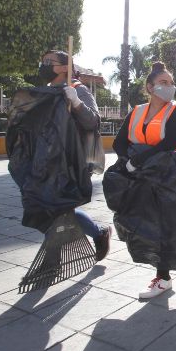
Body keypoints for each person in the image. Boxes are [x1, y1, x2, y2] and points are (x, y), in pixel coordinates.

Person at [113, 61, 176, 298]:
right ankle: (156, 268)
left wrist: (138, 160)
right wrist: (128, 160)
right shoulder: (136, 112)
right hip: (142, 177)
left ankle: (164, 277)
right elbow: (119, 142)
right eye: (163, 83)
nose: (169, 87)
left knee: (167, 225)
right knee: (144, 221)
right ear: (150, 87)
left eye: (171, 83)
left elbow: (171, 142)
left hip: (170, 179)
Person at [39, 50, 112, 261]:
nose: (43, 65)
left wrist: (77, 103)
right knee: (55, 208)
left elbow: (93, 122)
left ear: (64, 67)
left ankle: (51, 258)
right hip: (50, 159)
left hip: (75, 160)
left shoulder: (79, 91)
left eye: (48, 62)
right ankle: (98, 233)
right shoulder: (48, 92)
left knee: (59, 207)